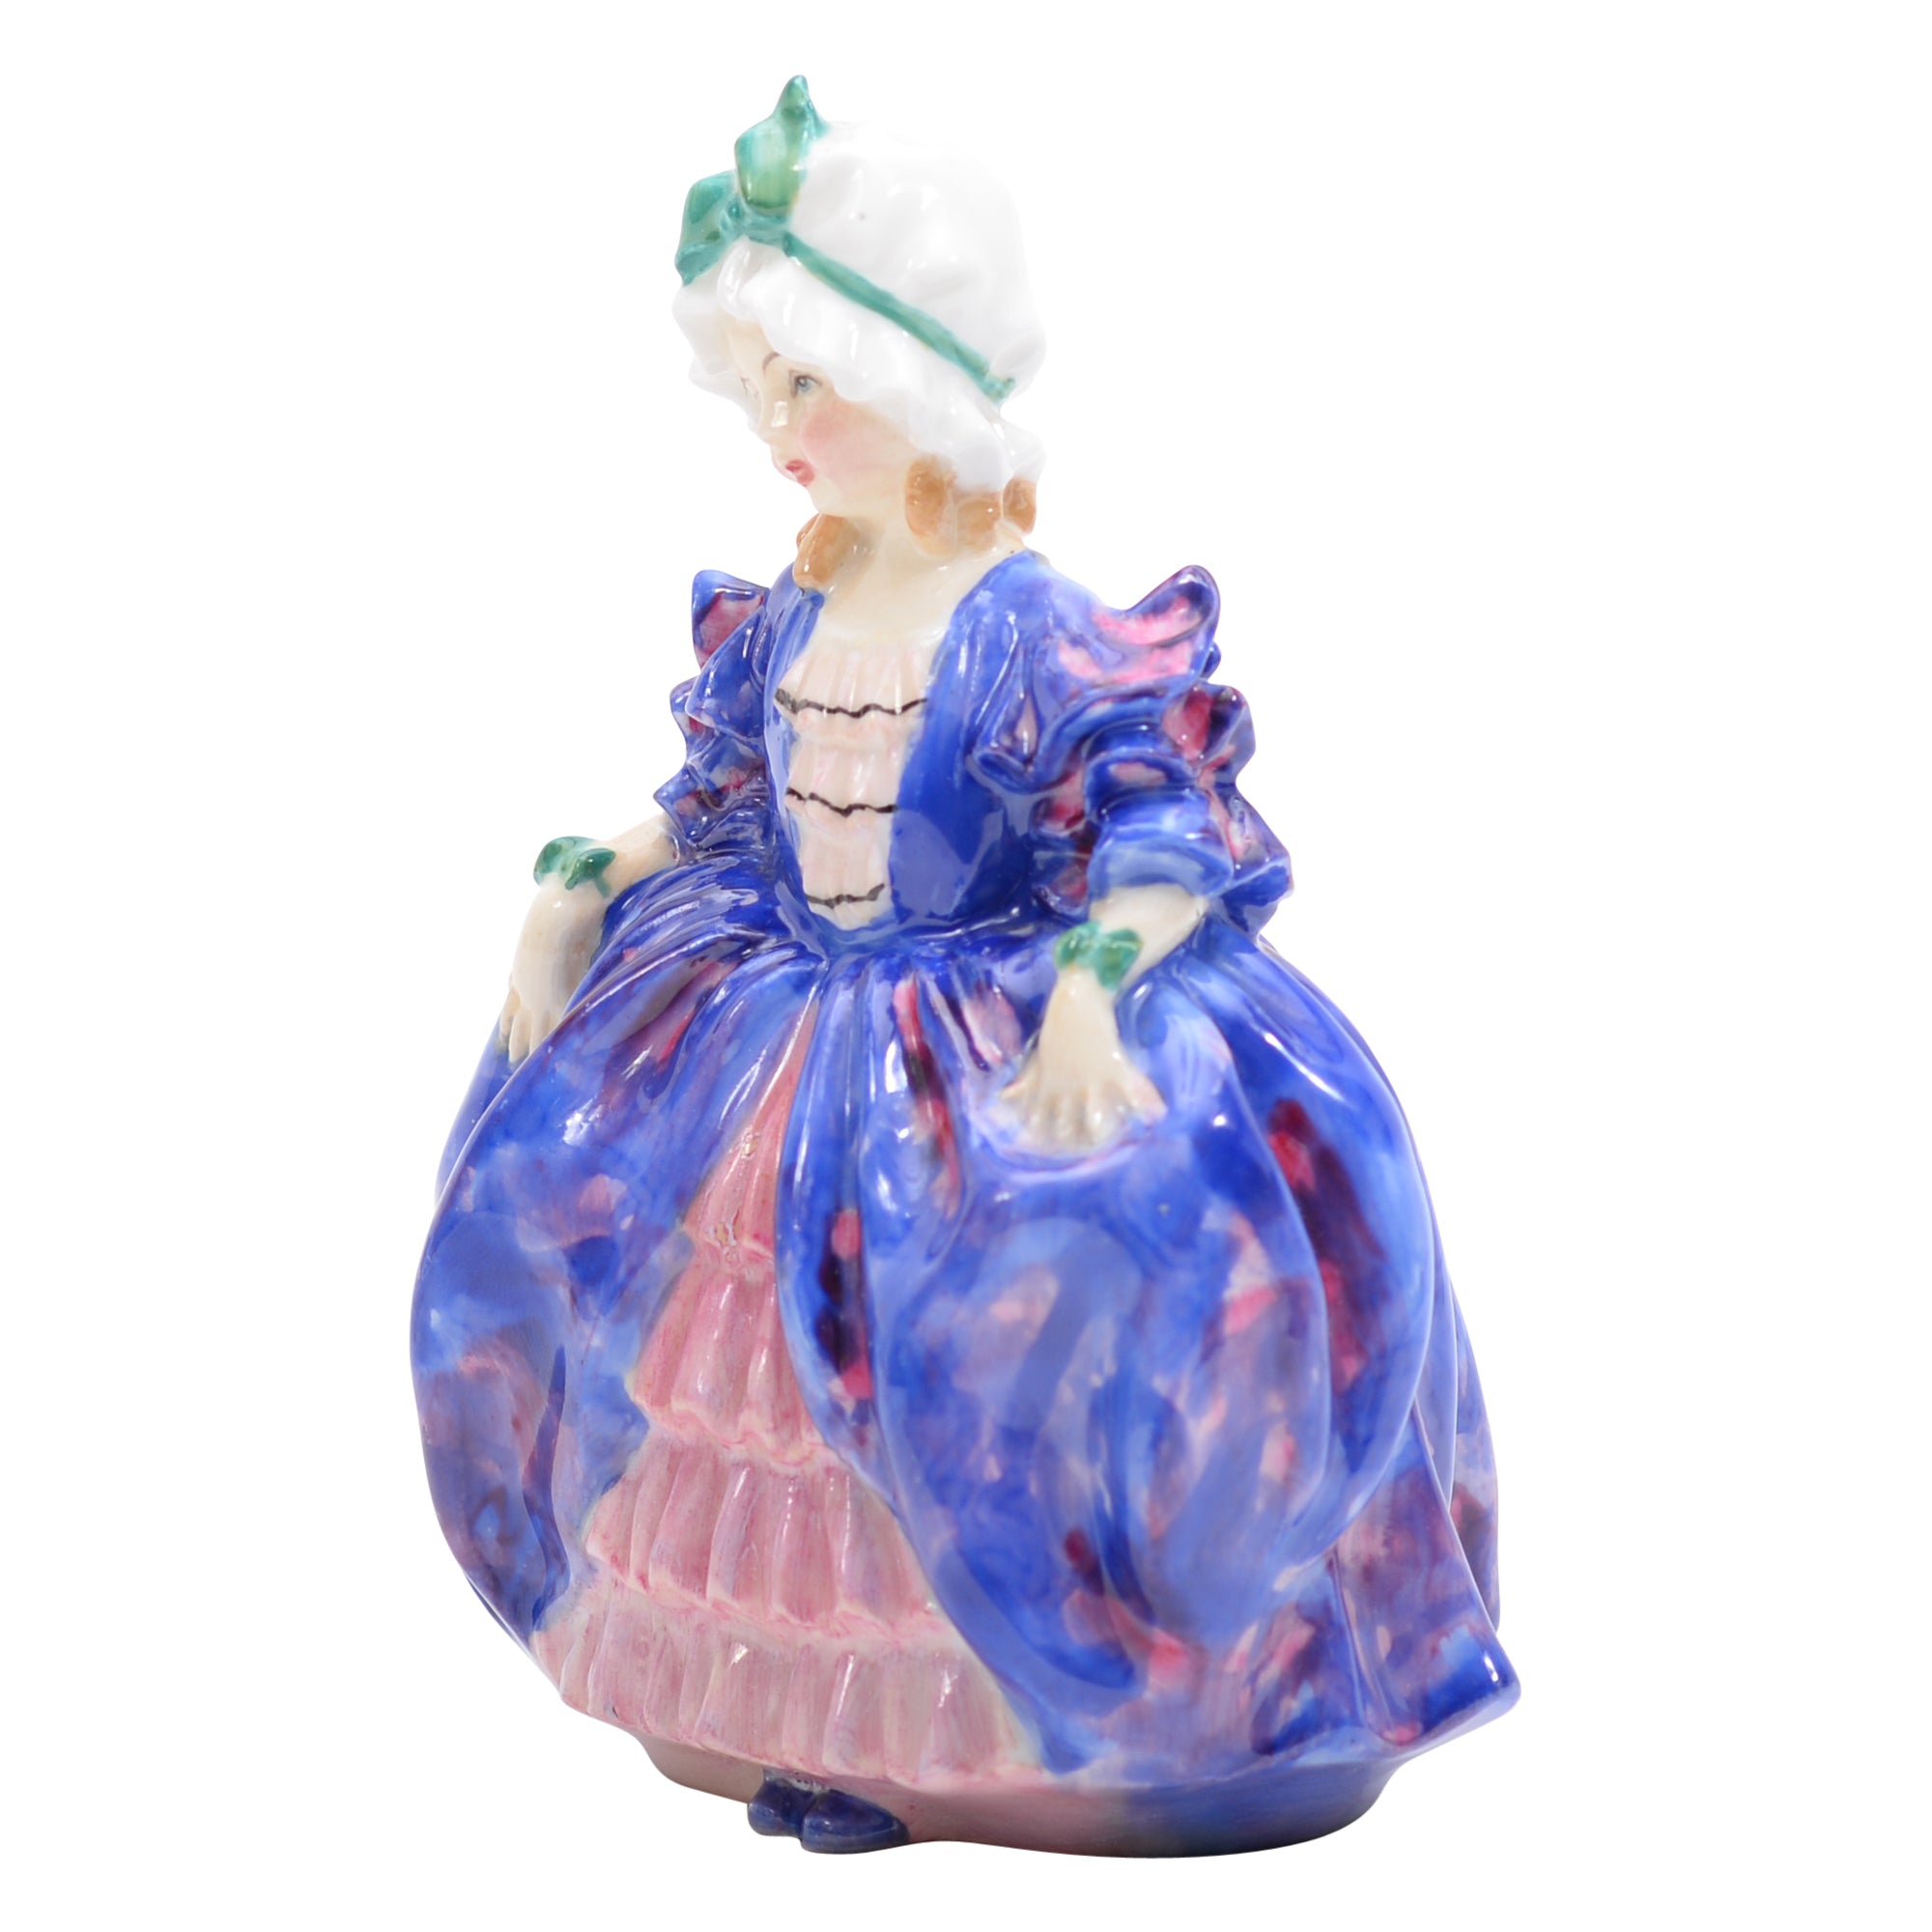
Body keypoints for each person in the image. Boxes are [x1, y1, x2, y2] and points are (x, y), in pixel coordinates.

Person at [412, 78, 1517, 1856]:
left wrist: (1091, 982)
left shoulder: (1034, 630)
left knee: (1006, 1339)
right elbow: (723, 805)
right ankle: (789, 1721)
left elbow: (1164, 828)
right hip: (773, 1041)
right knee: (676, 1309)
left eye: (811, 385)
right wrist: (583, 880)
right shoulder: (794, 612)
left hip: (969, 1036)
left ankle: (1050, 1728)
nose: (780, 427)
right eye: (761, 388)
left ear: (915, 382)